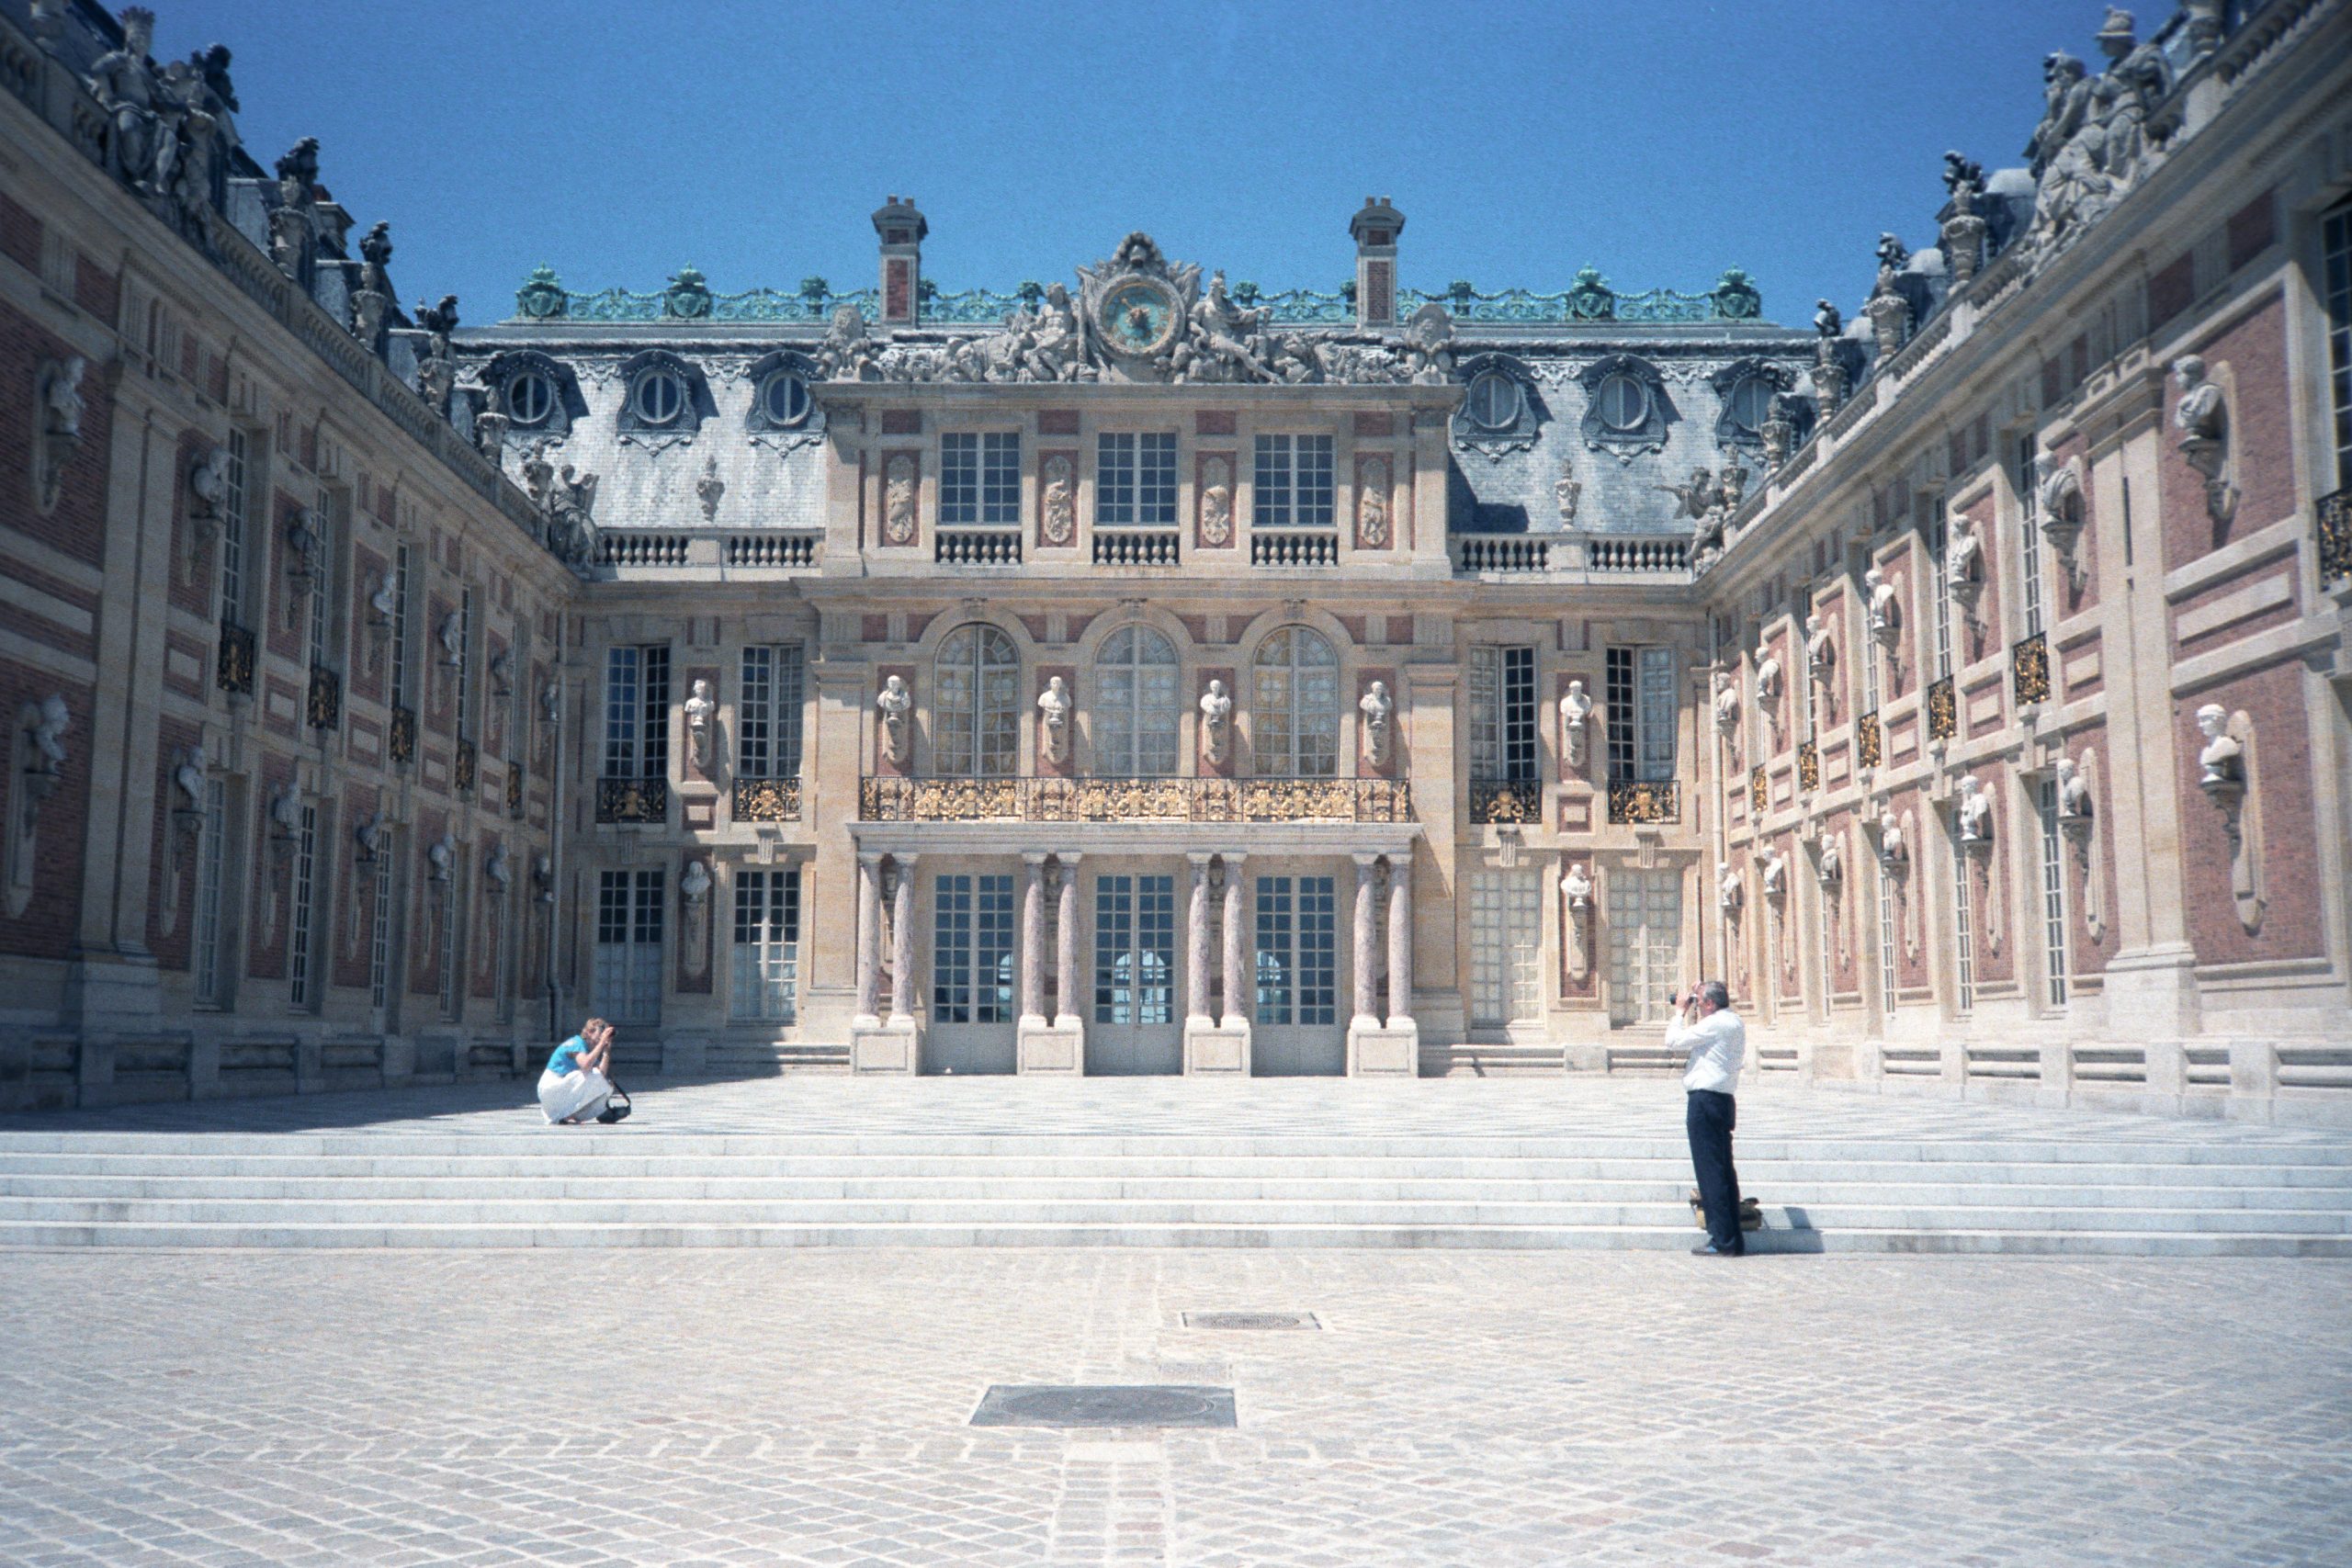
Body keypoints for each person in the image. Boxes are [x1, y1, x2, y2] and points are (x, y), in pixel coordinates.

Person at [1668, 981, 1747, 1257]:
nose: (1696, 1006)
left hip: (1705, 1102)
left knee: (1710, 1172)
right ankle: (1731, 1237)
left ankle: (1722, 1240)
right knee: (1724, 1171)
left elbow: (1673, 1041)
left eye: (1699, 1002)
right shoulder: (1733, 1022)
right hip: (1722, 1101)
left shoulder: (1715, 1025)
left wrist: (1679, 1012)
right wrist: (1698, 996)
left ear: (1711, 1004)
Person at [539, 1018, 616, 1124]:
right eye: (600, 1033)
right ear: (589, 1032)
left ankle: (569, 1114)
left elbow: (601, 1075)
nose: (602, 1036)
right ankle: (566, 1114)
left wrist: (606, 1051)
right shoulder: (576, 1043)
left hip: (557, 1089)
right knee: (591, 1075)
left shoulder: (589, 1050)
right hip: (551, 1086)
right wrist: (601, 1043)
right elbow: (585, 1065)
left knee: (606, 1085)